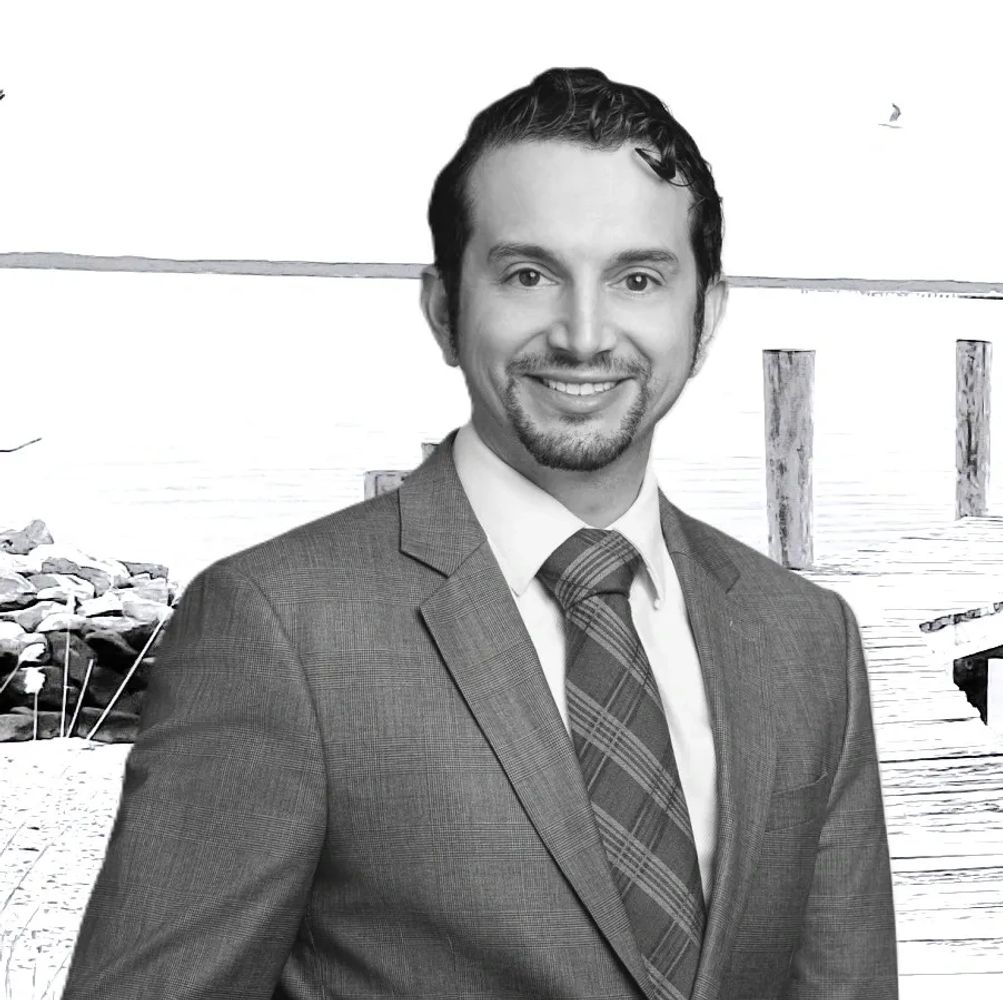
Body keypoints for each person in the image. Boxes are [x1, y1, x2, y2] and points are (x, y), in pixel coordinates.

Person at [62, 67, 898, 1000]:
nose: (584, 334)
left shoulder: (807, 640)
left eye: (638, 277)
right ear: (444, 309)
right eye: (529, 274)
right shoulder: (279, 627)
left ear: (704, 317)